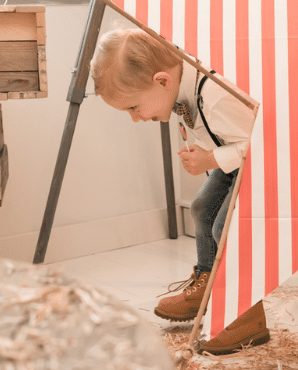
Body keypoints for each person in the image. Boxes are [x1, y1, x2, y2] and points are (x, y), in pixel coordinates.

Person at [90, 27, 270, 355]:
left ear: (162, 81)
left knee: (225, 226)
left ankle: (246, 315)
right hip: (237, 162)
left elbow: (267, 144)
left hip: (265, 166)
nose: (135, 118)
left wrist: (211, 159)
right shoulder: (182, 89)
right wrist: (209, 155)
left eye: (134, 107)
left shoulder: (215, 95)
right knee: (202, 208)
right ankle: (208, 283)